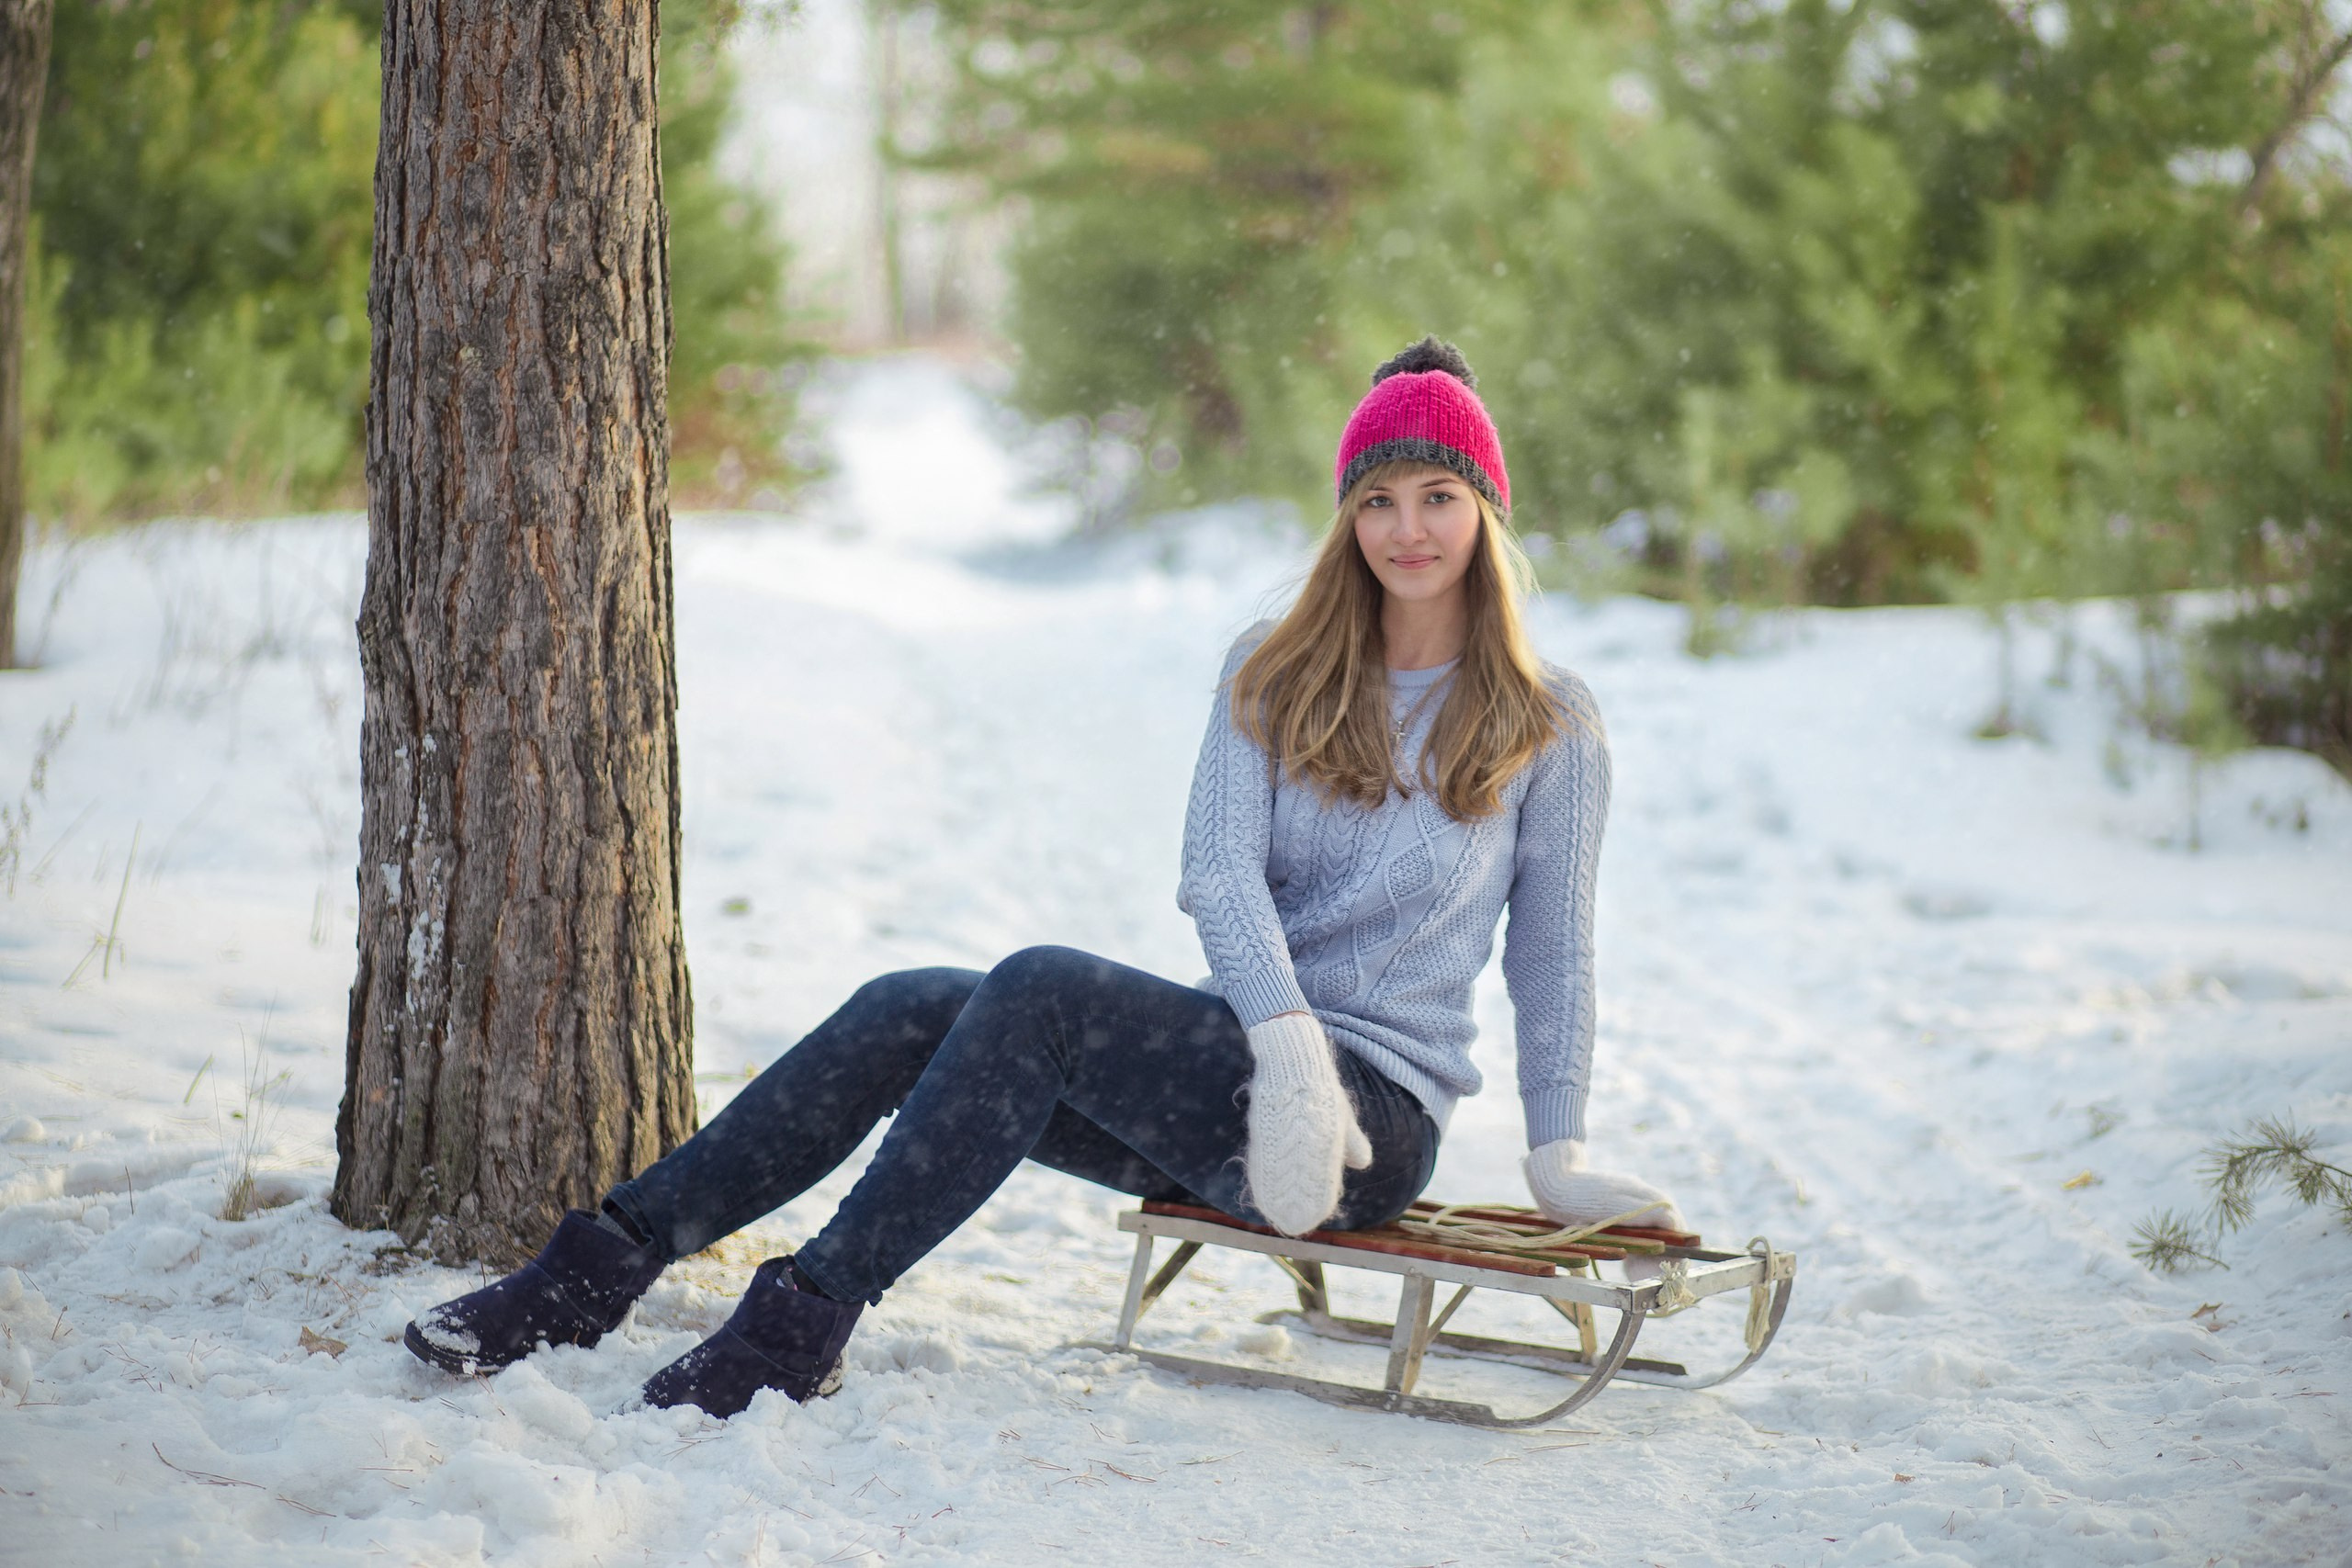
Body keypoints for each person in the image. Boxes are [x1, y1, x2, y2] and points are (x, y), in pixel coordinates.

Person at [402, 336, 1682, 1418]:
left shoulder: (1548, 719)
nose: (1408, 529)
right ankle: (597, 1268)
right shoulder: (1277, 669)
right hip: (1247, 1082)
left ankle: (803, 1320)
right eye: (1379, 500)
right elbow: (1218, 876)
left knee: (1041, 990)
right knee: (916, 1003)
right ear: (1347, 519)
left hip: (1369, 1132)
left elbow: (1553, 953)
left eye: (1438, 498)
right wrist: (1286, 1049)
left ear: (1485, 513)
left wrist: (1560, 1148)